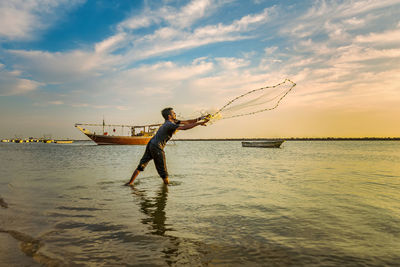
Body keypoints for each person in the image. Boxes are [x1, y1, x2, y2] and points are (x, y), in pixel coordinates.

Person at [125, 108, 209, 186]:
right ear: (169, 116)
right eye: (173, 113)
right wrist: (199, 124)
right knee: (163, 171)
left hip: (151, 144)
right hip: (157, 147)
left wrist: (201, 118)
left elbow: (187, 122)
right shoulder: (170, 124)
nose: (175, 113)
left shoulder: (172, 122)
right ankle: (166, 188)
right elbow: (184, 128)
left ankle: (130, 183)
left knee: (141, 165)